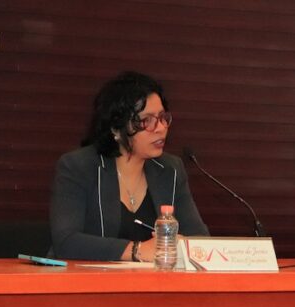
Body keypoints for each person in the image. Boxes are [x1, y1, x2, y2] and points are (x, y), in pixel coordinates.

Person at [50, 71, 209, 261]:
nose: (161, 128)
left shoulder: (170, 170)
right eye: (146, 120)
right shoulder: (79, 167)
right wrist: (137, 250)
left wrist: (184, 245)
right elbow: (66, 242)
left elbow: (200, 240)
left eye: (162, 117)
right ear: (116, 128)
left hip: (153, 279)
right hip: (86, 278)